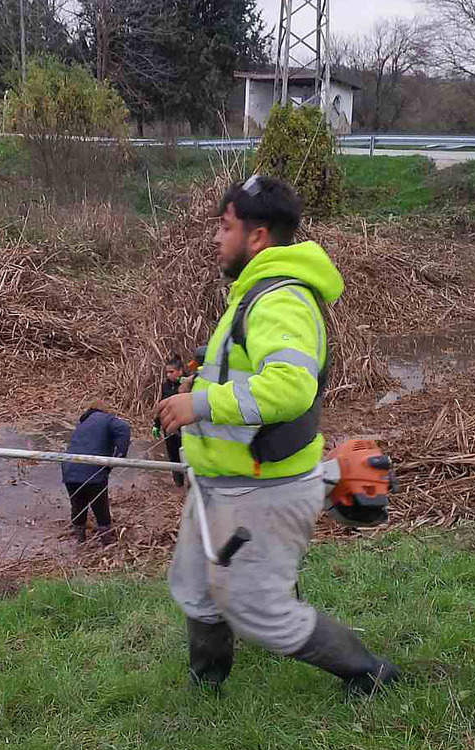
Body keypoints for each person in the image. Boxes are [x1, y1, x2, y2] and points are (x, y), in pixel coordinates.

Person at [156, 174, 401, 695]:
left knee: (261, 612)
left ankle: (369, 673)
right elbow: (246, 375)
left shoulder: (280, 299)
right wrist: (200, 375)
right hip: (220, 481)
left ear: (259, 236)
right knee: (197, 588)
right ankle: (208, 689)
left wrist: (198, 402)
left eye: (225, 228)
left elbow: (289, 387)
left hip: (261, 490)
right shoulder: (253, 295)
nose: (216, 239)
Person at [61, 407, 131, 545]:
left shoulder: (82, 423)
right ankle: (106, 542)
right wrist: (120, 455)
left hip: (69, 469)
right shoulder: (107, 418)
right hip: (93, 470)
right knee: (100, 507)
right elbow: (124, 428)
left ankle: (80, 542)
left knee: (78, 505)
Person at [152, 354, 186, 487]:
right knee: (173, 456)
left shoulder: (188, 384)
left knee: (187, 456)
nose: (168, 375)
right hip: (169, 427)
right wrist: (156, 424)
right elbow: (162, 405)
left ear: (180, 371)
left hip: (184, 427)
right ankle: (179, 483)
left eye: (171, 372)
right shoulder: (165, 386)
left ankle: (192, 485)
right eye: (167, 372)